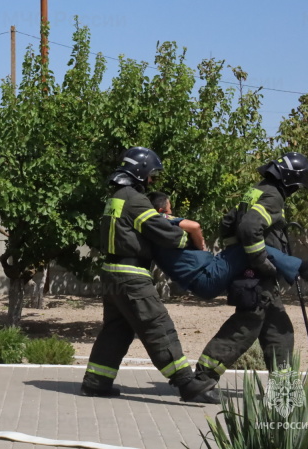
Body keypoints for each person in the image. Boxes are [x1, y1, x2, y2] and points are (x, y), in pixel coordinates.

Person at [80, 146, 218, 404]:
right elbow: (161, 231)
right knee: (158, 326)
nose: (152, 180)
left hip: (112, 273)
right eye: (151, 175)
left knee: (116, 330)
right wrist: (183, 236)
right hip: (131, 275)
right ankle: (187, 384)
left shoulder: (116, 197)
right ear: (140, 171)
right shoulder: (135, 199)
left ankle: (96, 382)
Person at [194, 152, 308, 384]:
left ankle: (283, 388)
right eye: (297, 185)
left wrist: (240, 254)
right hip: (257, 276)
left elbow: (228, 223)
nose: (296, 190)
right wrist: (259, 260)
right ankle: (202, 381)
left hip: (255, 276)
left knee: (279, 329)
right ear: (289, 180)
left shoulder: (257, 190)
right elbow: (250, 227)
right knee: (244, 328)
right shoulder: (272, 195)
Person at [146, 191, 308, 300]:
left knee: (244, 252)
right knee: (249, 247)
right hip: (205, 277)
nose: (172, 212)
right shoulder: (160, 219)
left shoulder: (151, 231)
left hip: (204, 276)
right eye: (170, 209)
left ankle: (289, 269)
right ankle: (301, 268)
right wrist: (201, 245)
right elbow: (194, 226)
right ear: (162, 210)